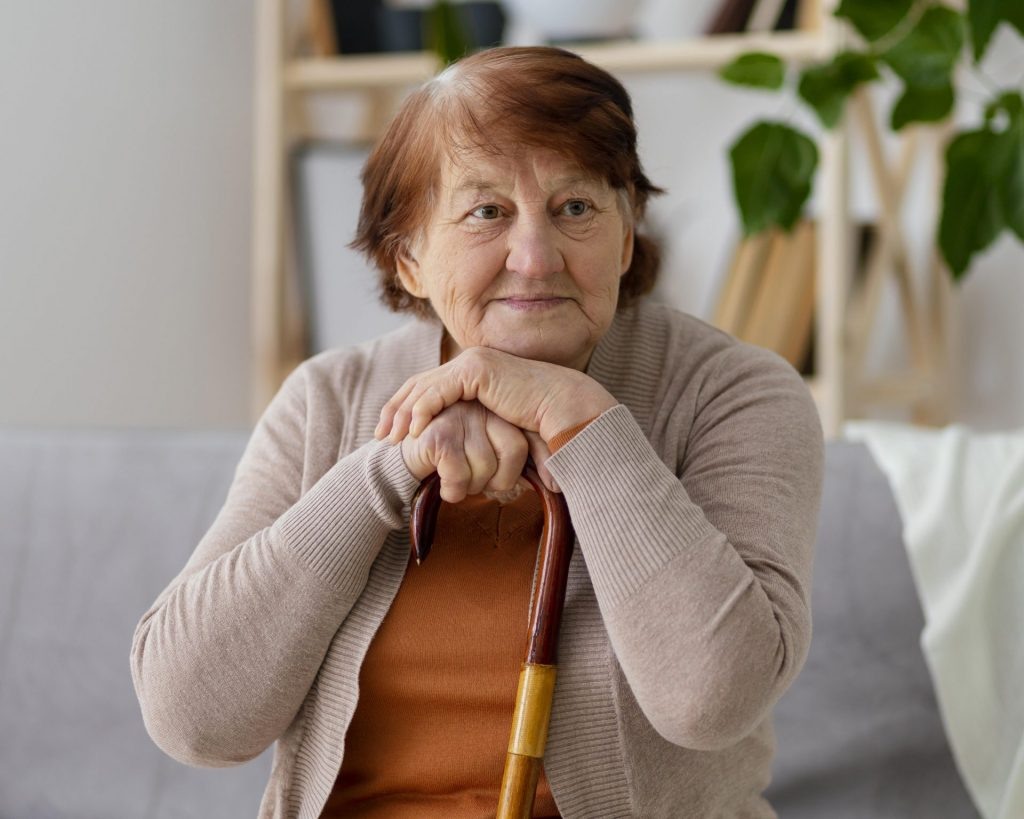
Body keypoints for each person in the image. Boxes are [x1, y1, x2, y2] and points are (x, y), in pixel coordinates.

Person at [130, 46, 824, 818]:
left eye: (575, 208)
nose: (536, 257)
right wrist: (386, 468)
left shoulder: (734, 394)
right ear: (409, 258)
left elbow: (712, 699)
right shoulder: (326, 400)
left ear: (626, 236)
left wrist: (581, 420)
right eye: (487, 212)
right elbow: (192, 719)